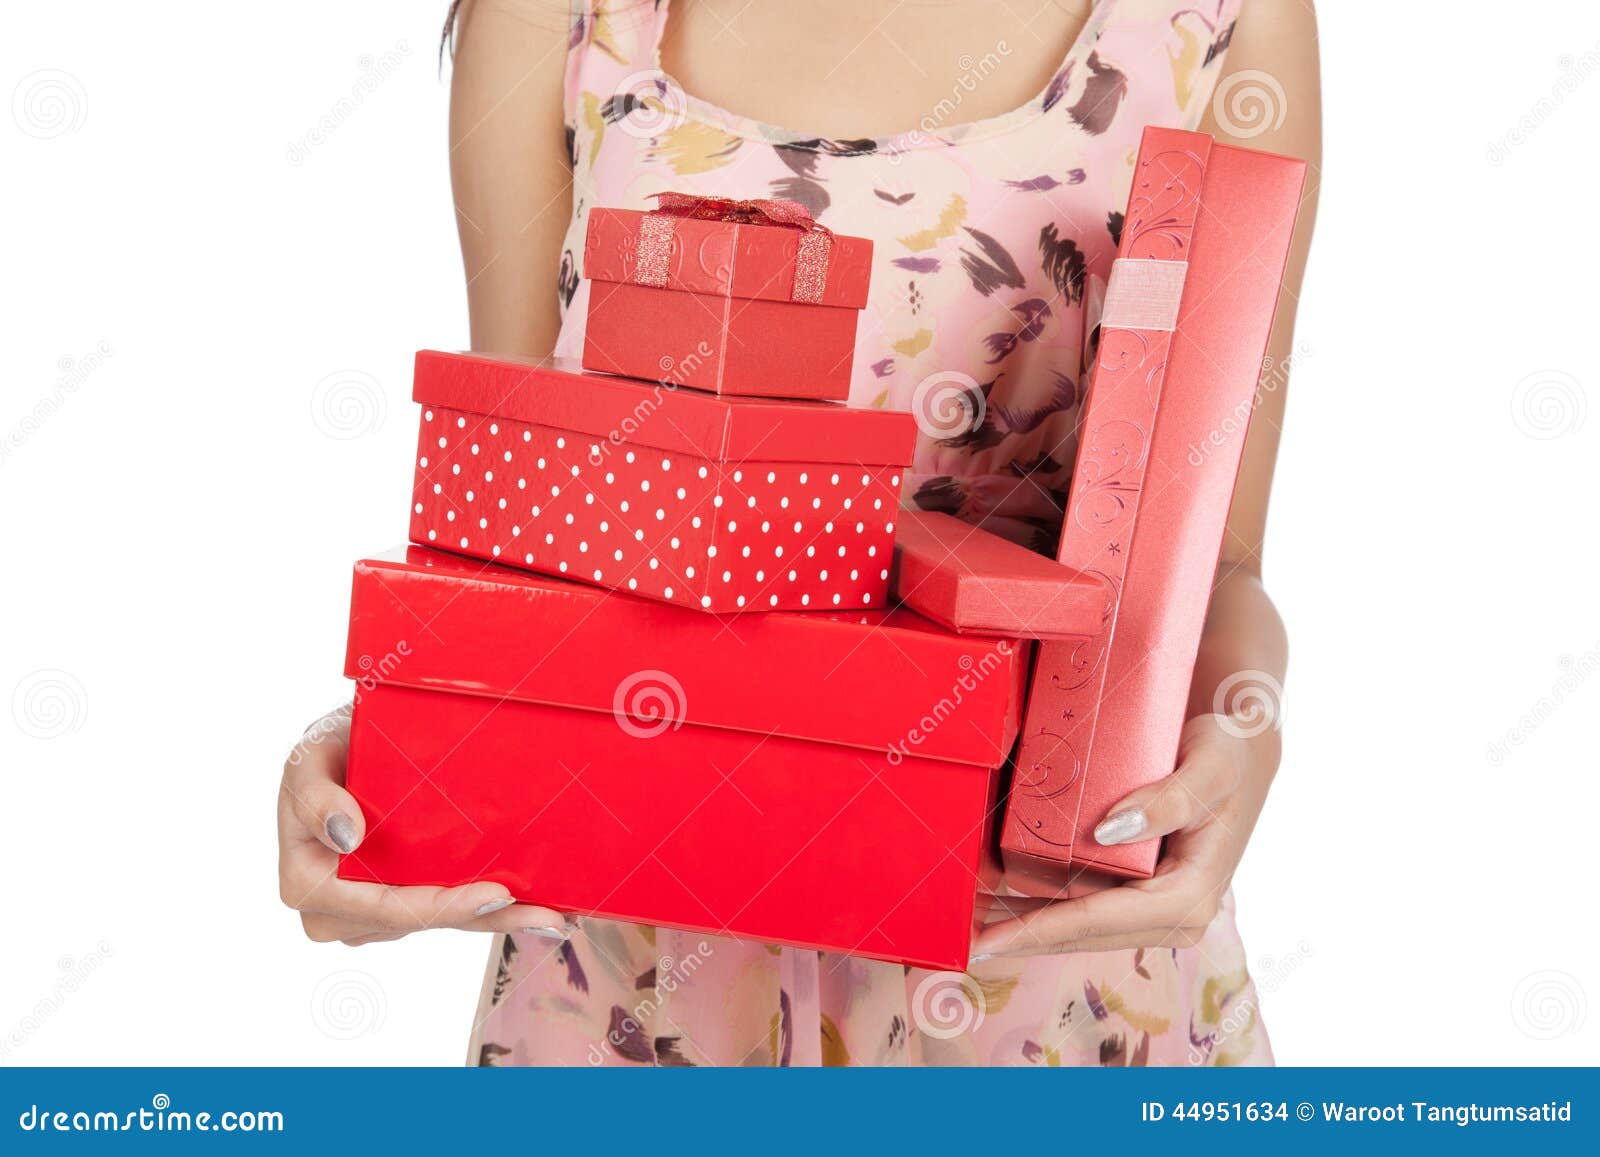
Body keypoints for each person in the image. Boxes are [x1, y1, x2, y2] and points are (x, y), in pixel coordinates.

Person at [279, 0, 1320, 1066]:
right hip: (637, 965)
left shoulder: (1219, 20)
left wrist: (1245, 732)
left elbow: (1220, 563)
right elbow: (512, 533)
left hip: (1037, 966)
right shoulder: (557, 17)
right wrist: (382, 743)